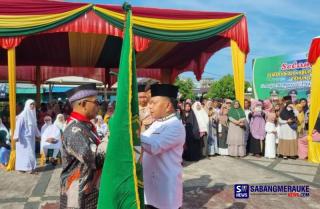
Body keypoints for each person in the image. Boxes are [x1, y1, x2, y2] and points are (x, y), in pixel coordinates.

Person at [60, 84, 107, 209]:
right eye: (96, 102)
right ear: (83, 103)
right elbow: (95, 159)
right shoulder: (74, 130)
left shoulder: (85, 126)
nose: (98, 106)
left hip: (89, 191)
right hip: (79, 196)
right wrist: (112, 137)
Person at [141, 84, 185, 209]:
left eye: (153, 103)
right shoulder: (156, 123)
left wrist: (133, 134)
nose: (149, 106)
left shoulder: (175, 126)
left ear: (168, 106)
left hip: (165, 190)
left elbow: (155, 147)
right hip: (150, 187)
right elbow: (142, 146)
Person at [13, 99, 41, 173]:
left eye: (33, 104)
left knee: (30, 152)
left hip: (30, 138)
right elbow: (18, 126)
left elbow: (35, 126)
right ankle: (25, 168)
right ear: (27, 105)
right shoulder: (22, 116)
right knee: (24, 153)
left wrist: (38, 135)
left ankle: (29, 167)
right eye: (31, 104)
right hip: (22, 138)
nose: (32, 106)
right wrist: (16, 136)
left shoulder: (32, 115)